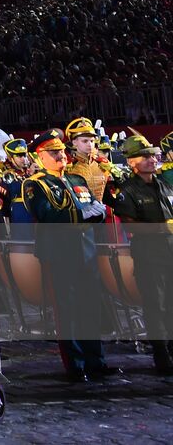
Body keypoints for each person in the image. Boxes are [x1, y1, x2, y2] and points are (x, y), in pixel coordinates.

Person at [24, 127, 110, 382]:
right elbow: (48, 215)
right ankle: (76, 363)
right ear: (40, 157)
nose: (61, 155)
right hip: (59, 251)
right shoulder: (36, 184)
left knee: (90, 306)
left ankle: (96, 360)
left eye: (61, 150)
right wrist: (83, 214)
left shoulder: (76, 180)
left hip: (86, 247)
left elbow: (97, 208)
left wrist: (95, 212)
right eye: (53, 152)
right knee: (68, 308)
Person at [105, 133, 173, 374]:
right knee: (157, 305)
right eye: (144, 156)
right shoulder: (128, 190)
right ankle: (161, 354)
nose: (152, 159)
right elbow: (130, 225)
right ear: (132, 162)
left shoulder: (164, 184)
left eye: (153, 155)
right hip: (149, 254)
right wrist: (162, 227)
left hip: (170, 251)